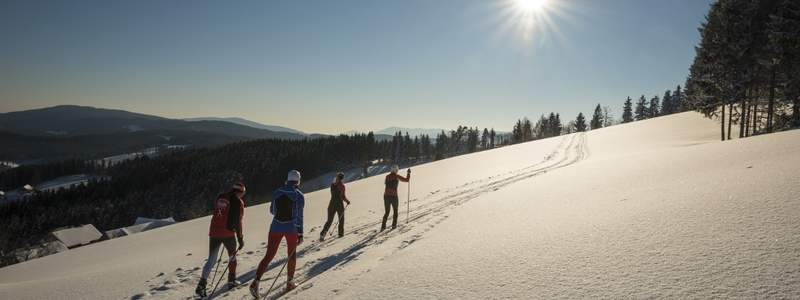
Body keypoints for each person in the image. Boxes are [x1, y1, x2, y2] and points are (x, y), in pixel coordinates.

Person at [250, 170, 305, 297]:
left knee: (269, 254)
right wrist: (300, 233)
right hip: (291, 228)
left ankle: (255, 282)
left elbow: (272, 211)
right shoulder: (299, 195)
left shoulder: (277, 192)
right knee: (291, 255)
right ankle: (290, 282)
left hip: (275, 226)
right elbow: (299, 216)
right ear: (298, 180)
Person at [196, 182, 246, 298]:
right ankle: (231, 281)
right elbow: (238, 222)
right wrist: (240, 238)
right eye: (243, 193)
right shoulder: (239, 202)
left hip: (214, 232)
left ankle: (202, 284)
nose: (243, 196)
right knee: (232, 256)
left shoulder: (220, 197)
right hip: (228, 234)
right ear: (240, 192)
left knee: (211, 260)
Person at [319, 172, 351, 241]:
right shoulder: (342, 186)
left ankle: (322, 234)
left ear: (337, 177)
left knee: (329, 220)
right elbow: (342, 196)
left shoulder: (332, 185)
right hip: (339, 204)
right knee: (341, 219)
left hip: (331, 204)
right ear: (342, 178)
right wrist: (347, 201)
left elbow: (333, 193)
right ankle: (340, 234)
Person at [382, 165, 410, 231]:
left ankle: (383, 226)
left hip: (386, 196)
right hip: (394, 196)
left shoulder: (387, 176)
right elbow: (406, 180)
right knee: (395, 211)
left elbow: (386, 184)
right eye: (397, 170)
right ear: (396, 170)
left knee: (387, 212)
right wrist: (408, 173)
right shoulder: (397, 176)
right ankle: (394, 225)